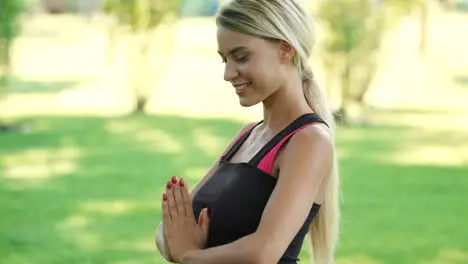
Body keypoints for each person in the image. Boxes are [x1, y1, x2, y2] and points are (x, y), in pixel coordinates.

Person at [155, 0, 340, 263]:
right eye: (224, 59)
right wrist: (186, 249)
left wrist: (190, 256)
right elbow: (167, 232)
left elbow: (262, 253)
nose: (228, 73)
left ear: (285, 48)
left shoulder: (308, 141)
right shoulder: (247, 136)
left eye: (241, 57)